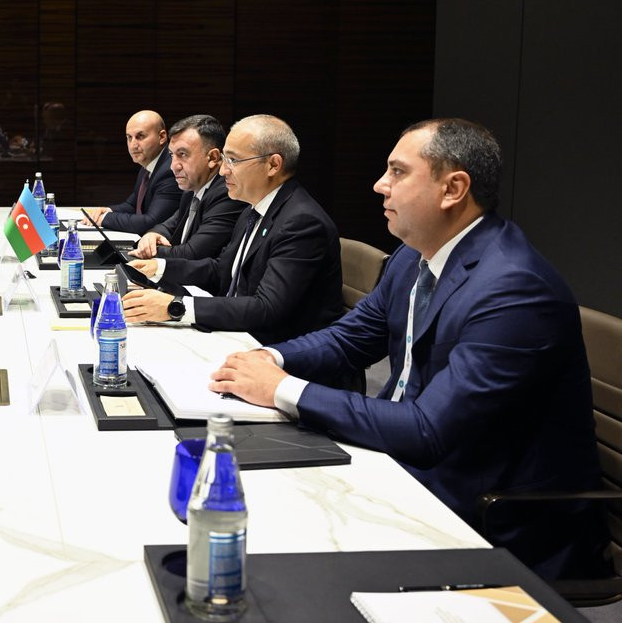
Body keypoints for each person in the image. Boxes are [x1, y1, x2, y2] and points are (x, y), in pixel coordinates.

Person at [210, 119, 606, 580]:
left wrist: (281, 389)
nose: (380, 185)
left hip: (490, 516)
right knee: (240, 495)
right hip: (405, 466)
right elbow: (349, 338)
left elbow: (428, 430)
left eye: (398, 172)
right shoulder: (412, 257)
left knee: (274, 560)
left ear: (453, 189)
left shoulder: (514, 289)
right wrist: (270, 360)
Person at [123, 115, 344, 345]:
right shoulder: (253, 209)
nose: (222, 171)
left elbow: (266, 308)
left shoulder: (302, 222)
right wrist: (159, 268)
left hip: (274, 350)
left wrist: (175, 306)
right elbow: (222, 270)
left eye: (233, 160)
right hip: (237, 332)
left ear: (273, 165)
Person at [130, 114, 247, 261]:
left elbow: (193, 254)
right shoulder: (192, 188)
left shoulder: (227, 193)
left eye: (182, 154)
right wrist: (152, 235)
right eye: (172, 155)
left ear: (213, 158)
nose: (173, 166)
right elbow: (169, 225)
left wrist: (149, 250)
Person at [81, 110, 181, 235]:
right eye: (129, 137)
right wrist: (107, 210)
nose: (133, 145)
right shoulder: (148, 165)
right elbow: (132, 205)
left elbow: (151, 222)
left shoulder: (170, 170)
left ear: (161, 137)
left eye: (140, 136)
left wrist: (104, 219)